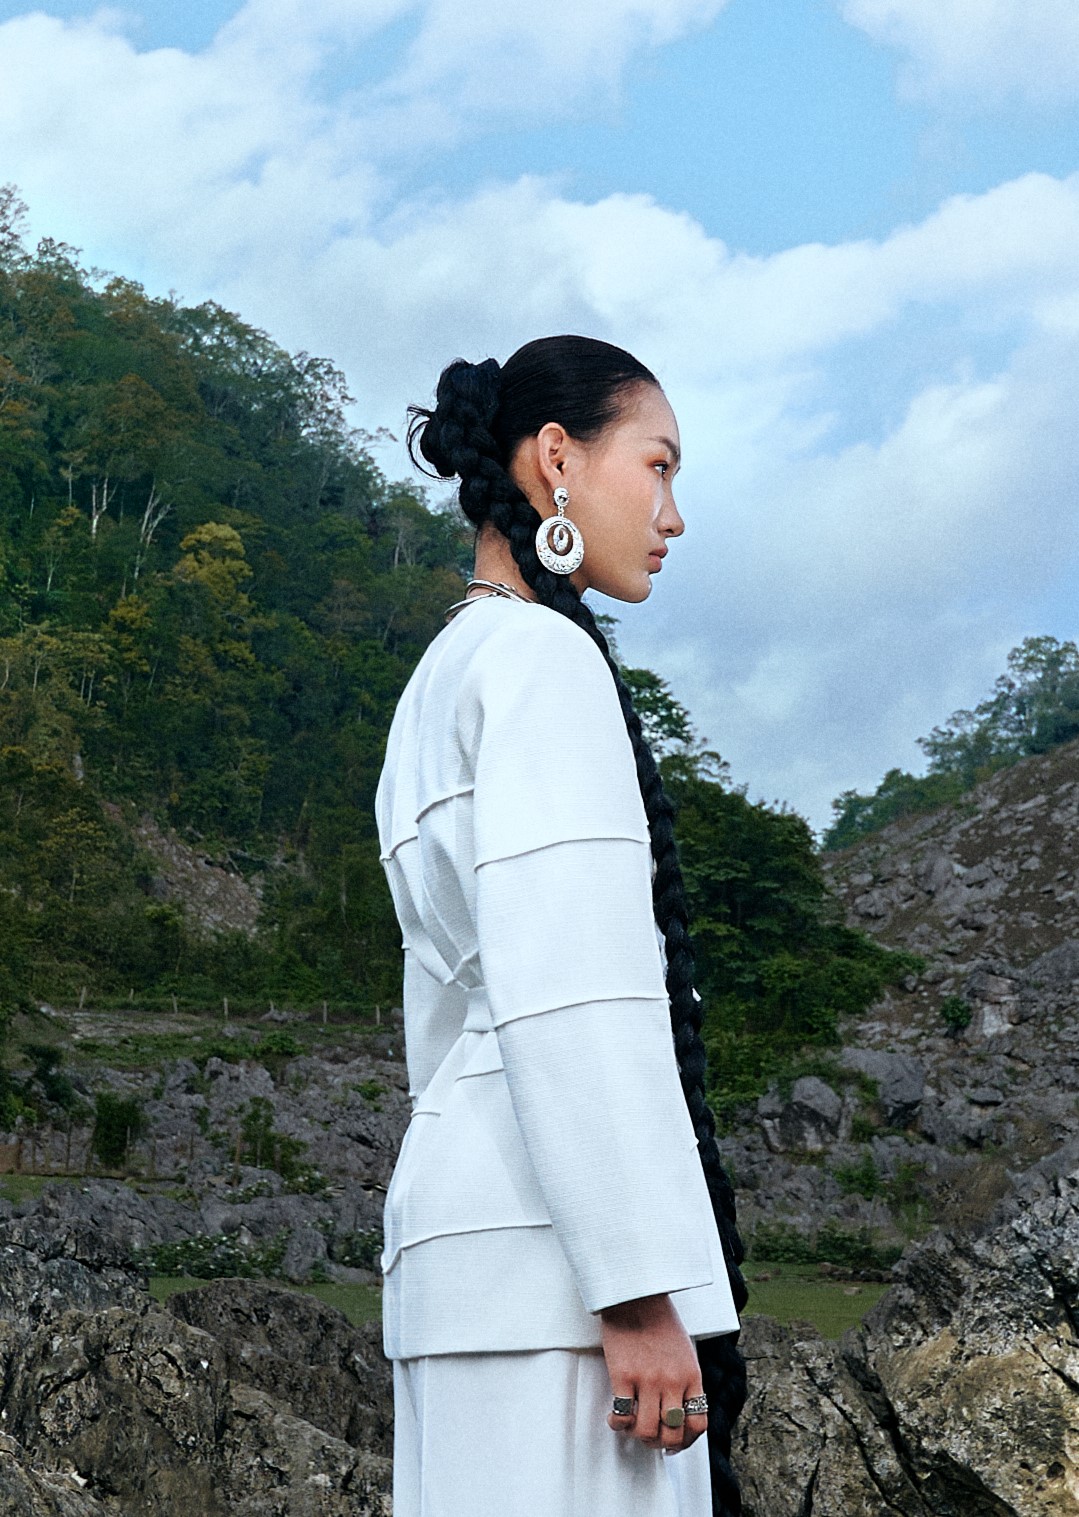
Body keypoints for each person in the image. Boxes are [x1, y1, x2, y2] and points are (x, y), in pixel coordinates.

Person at [374, 335, 748, 1517]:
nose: (672, 514)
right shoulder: (542, 662)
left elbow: (440, 1020)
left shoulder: (441, 675)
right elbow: (572, 992)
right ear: (556, 458)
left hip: (461, 1250)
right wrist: (635, 1290)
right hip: (563, 1288)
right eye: (657, 465)